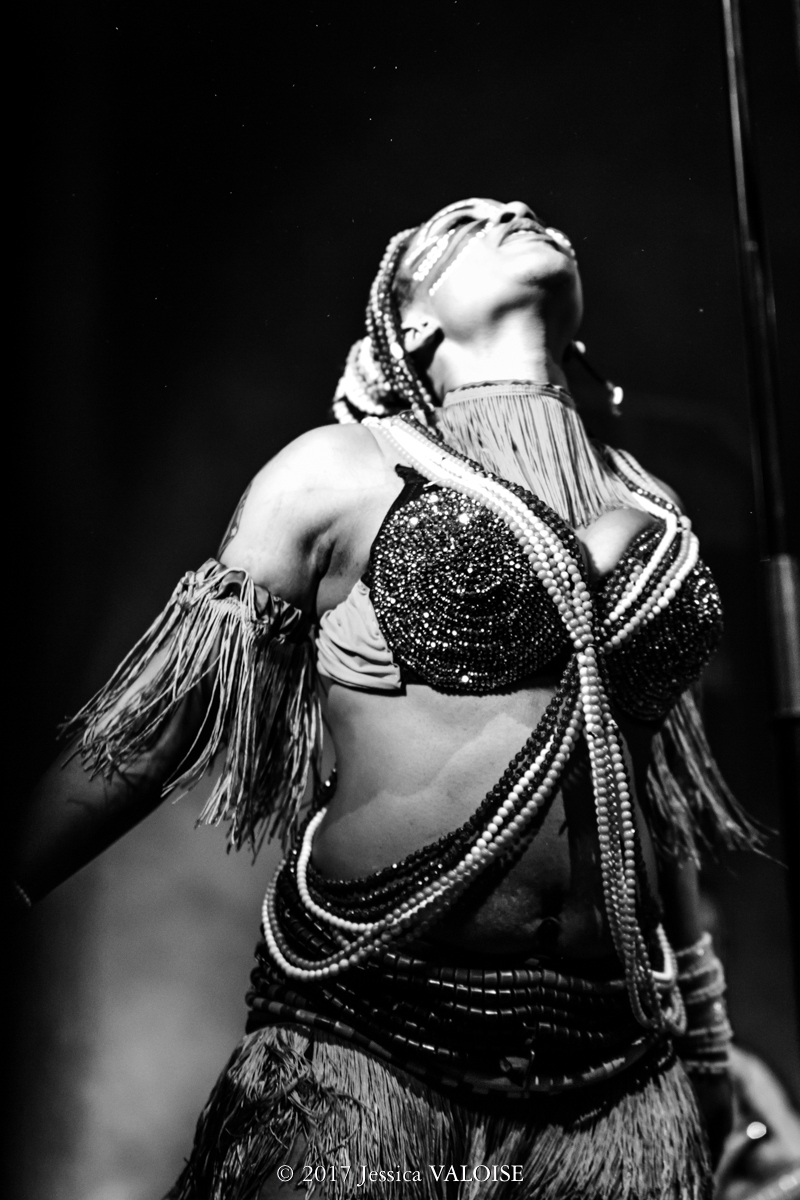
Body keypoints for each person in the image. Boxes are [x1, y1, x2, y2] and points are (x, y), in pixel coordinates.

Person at [13, 198, 764, 1199]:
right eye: (472, 222)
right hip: (370, 1046)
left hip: (613, 1072)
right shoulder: (340, 473)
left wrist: (705, 1037)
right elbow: (164, 727)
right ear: (413, 327)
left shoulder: (650, 503)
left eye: (518, 211)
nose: (513, 210)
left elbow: (652, 795)